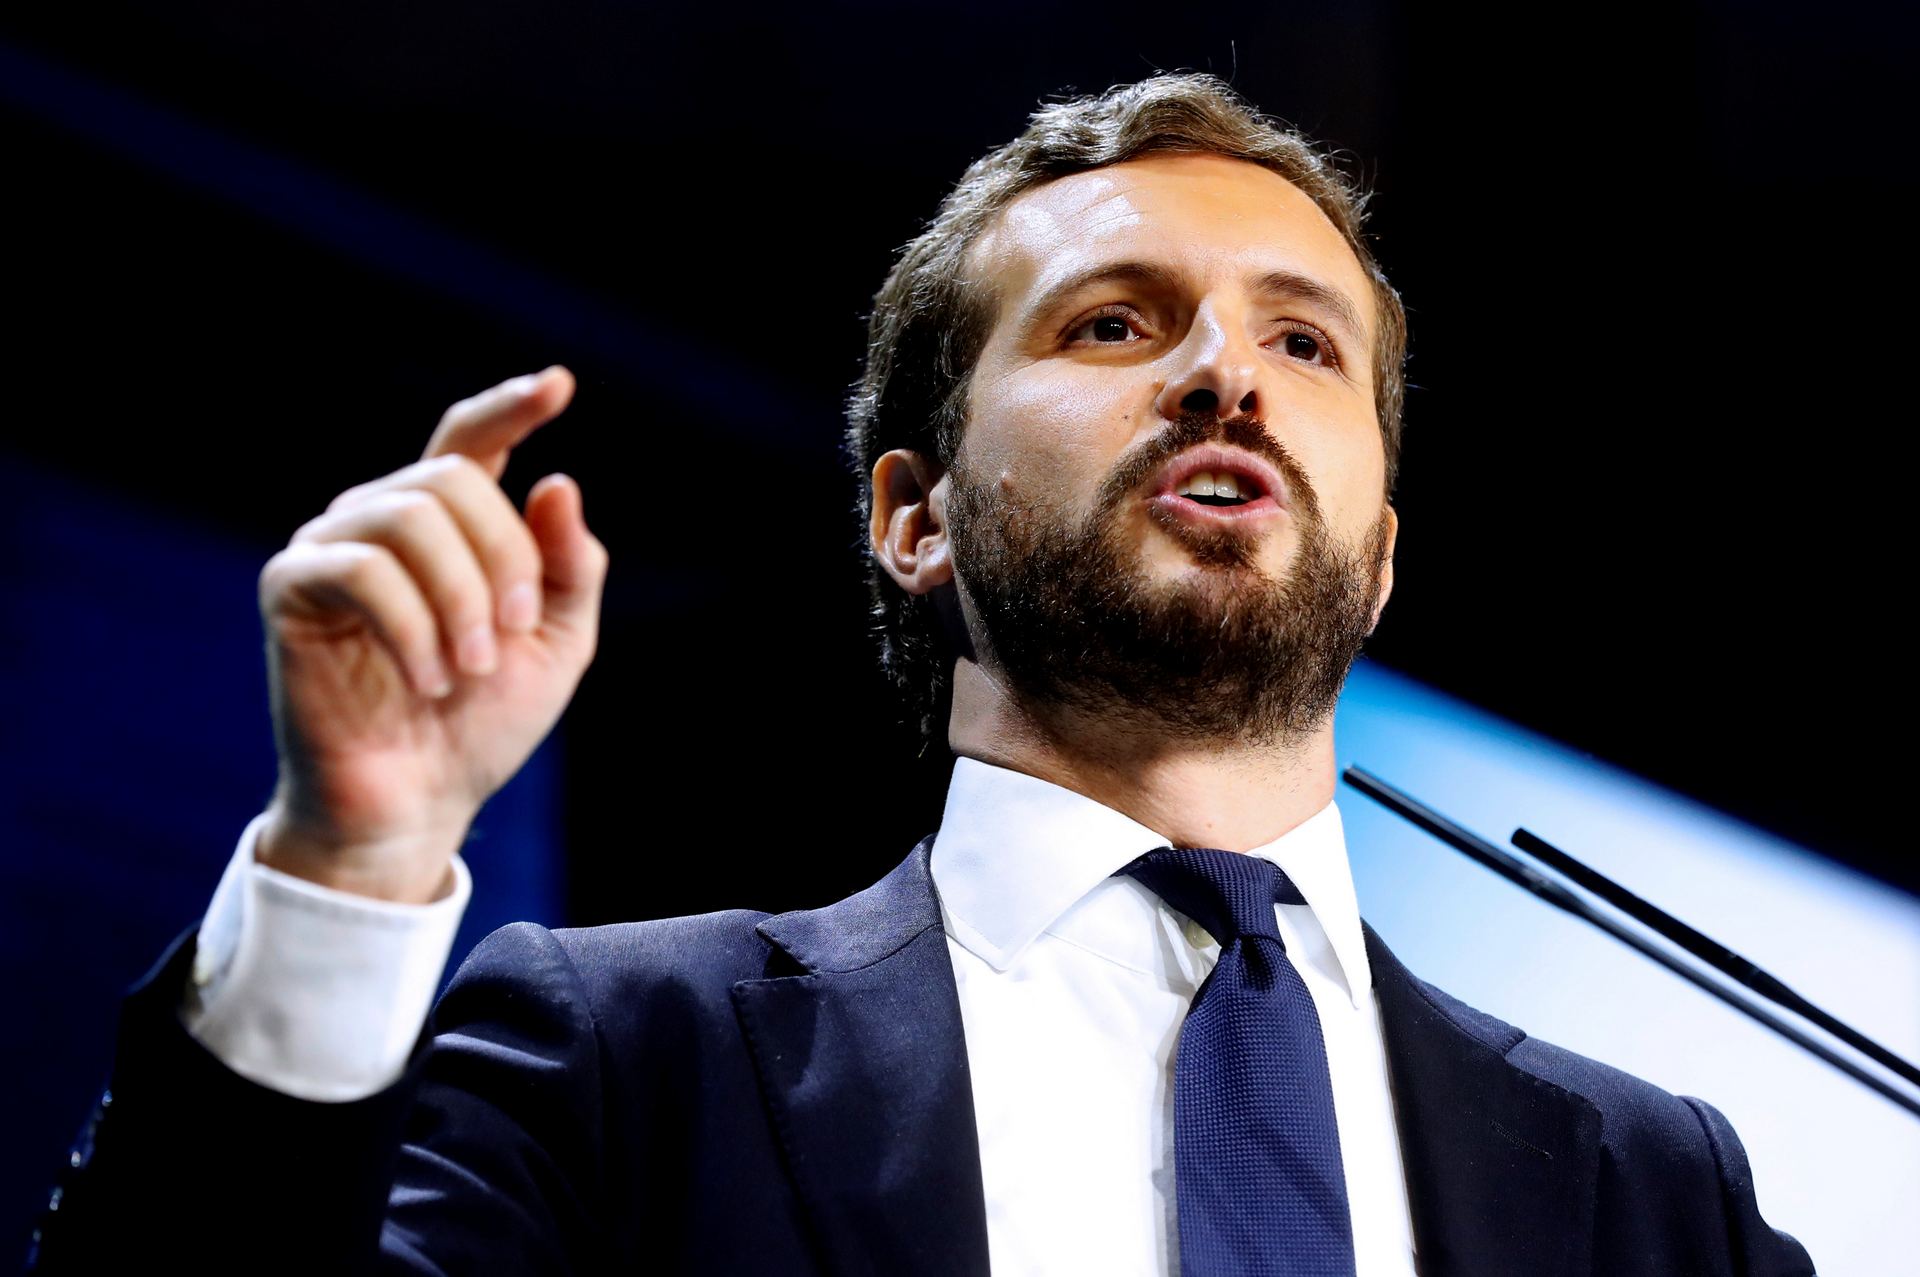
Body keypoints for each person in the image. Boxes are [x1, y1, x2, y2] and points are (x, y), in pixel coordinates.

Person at [32, 74, 1812, 1276]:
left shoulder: (1654, 1196)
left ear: (1384, 554)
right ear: (914, 516)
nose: (1227, 374)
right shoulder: (628, 1063)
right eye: (1114, 320)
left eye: (1303, 338)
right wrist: (348, 865)